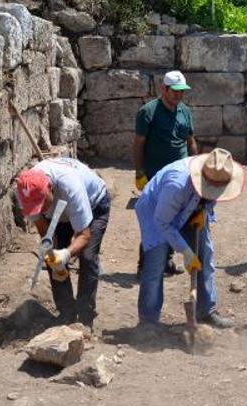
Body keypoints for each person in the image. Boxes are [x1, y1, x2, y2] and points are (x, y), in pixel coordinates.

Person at [135, 148, 243, 328]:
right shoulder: (176, 184)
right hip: (157, 211)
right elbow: (162, 222)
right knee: (155, 265)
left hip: (192, 208)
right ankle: (148, 322)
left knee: (205, 256)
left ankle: (206, 311)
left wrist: (204, 212)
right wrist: (186, 252)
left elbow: (214, 194)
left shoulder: (217, 171)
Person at [15, 157, 110, 328]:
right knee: (52, 259)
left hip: (95, 203)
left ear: (50, 188)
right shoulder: (24, 190)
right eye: (35, 207)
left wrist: (66, 254)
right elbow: (44, 228)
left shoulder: (70, 187)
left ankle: (85, 318)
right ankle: (66, 313)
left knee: (88, 257)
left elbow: (84, 234)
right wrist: (53, 255)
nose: (41, 209)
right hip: (59, 214)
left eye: (42, 204)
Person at [133, 70, 199, 276]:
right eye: (175, 91)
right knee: (154, 221)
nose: (179, 95)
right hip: (157, 177)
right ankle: (145, 265)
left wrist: (196, 166)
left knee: (175, 220)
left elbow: (190, 141)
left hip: (181, 178)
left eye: (182, 91)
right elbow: (138, 144)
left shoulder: (185, 112)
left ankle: (166, 261)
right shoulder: (148, 112)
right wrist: (139, 172)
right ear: (164, 89)